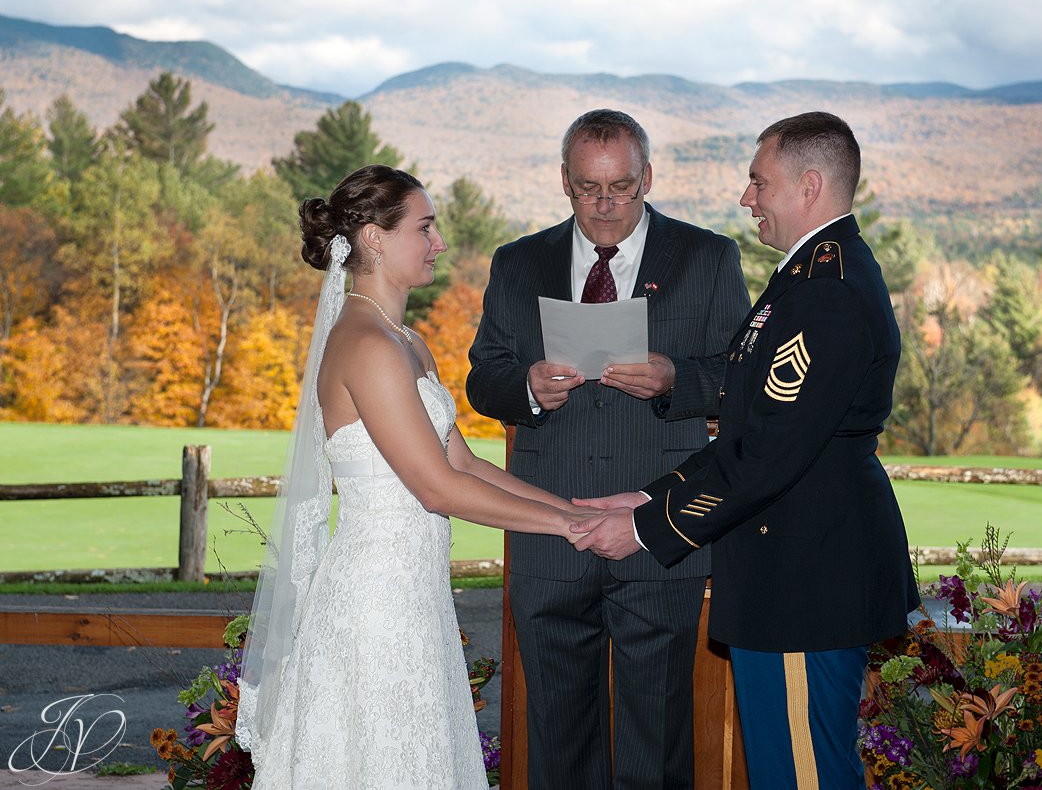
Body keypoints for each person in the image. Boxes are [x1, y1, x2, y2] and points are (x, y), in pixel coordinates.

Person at [572, 112, 921, 789]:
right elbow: (750, 428)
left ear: (809, 186)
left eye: (759, 183)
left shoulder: (827, 298)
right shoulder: (806, 282)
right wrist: (651, 494)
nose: (747, 198)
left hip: (804, 580)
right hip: (793, 569)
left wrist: (647, 528)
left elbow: (766, 456)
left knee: (805, 776)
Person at [237, 165, 603, 789]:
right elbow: (434, 486)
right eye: (425, 227)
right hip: (376, 601)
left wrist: (573, 506)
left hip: (414, 595)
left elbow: (464, 462)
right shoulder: (367, 345)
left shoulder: (406, 340)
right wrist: (568, 527)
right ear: (376, 239)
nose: (438, 242)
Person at [466, 109, 750, 789]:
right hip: (547, 536)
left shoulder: (708, 258)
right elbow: (483, 377)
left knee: (657, 743)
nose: (604, 204)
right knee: (558, 745)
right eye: (588, 188)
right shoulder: (517, 262)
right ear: (564, 180)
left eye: (621, 187)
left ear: (647, 177)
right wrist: (527, 388)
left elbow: (743, 377)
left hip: (660, 531)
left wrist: (677, 378)